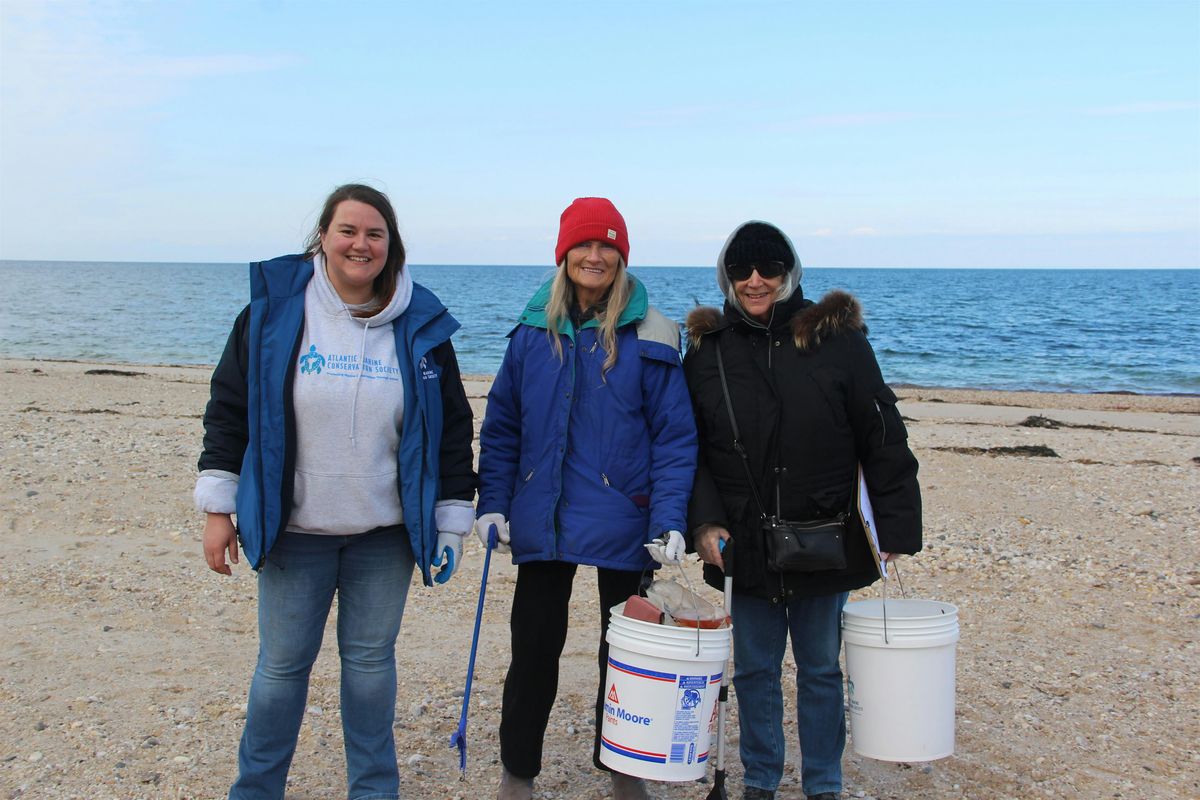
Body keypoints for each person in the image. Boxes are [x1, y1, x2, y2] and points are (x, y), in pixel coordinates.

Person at [193, 183, 477, 800]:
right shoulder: (272, 314)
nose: (361, 243)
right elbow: (230, 408)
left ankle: (374, 791)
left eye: (375, 233)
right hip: (295, 531)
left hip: (385, 536)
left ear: (391, 245)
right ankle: (256, 790)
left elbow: (453, 429)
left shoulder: (423, 323)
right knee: (281, 672)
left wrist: (452, 521)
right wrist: (219, 506)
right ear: (323, 236)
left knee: (371, 670)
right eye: (348, 230)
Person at [682, 221, 922, 800]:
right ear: (727, 275)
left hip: (825, 533)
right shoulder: (708, 352)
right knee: (754, 672)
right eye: (742, 270)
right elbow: (690, 451)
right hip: (744, 539)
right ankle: (760, 782)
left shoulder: (839, 341)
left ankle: (824, 785)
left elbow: (882, 432)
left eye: (769, 268)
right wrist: (704, 522)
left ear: (790, 272)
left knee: (819, 671)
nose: (756, 280)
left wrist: (895, 525)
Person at [475, 197, 697, 800]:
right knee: (533, 653)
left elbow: (675, 437)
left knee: (626, 655)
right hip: (542, 514)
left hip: (626, 516)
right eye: (584, 245)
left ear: (621, 257)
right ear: (564, 254)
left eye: (607, 246)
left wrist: (671, 517)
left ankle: (626, 772)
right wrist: (492, 502)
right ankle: (517, 774)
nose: (595, 256)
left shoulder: (652, 333)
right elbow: (502, 428)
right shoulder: (531, 332)